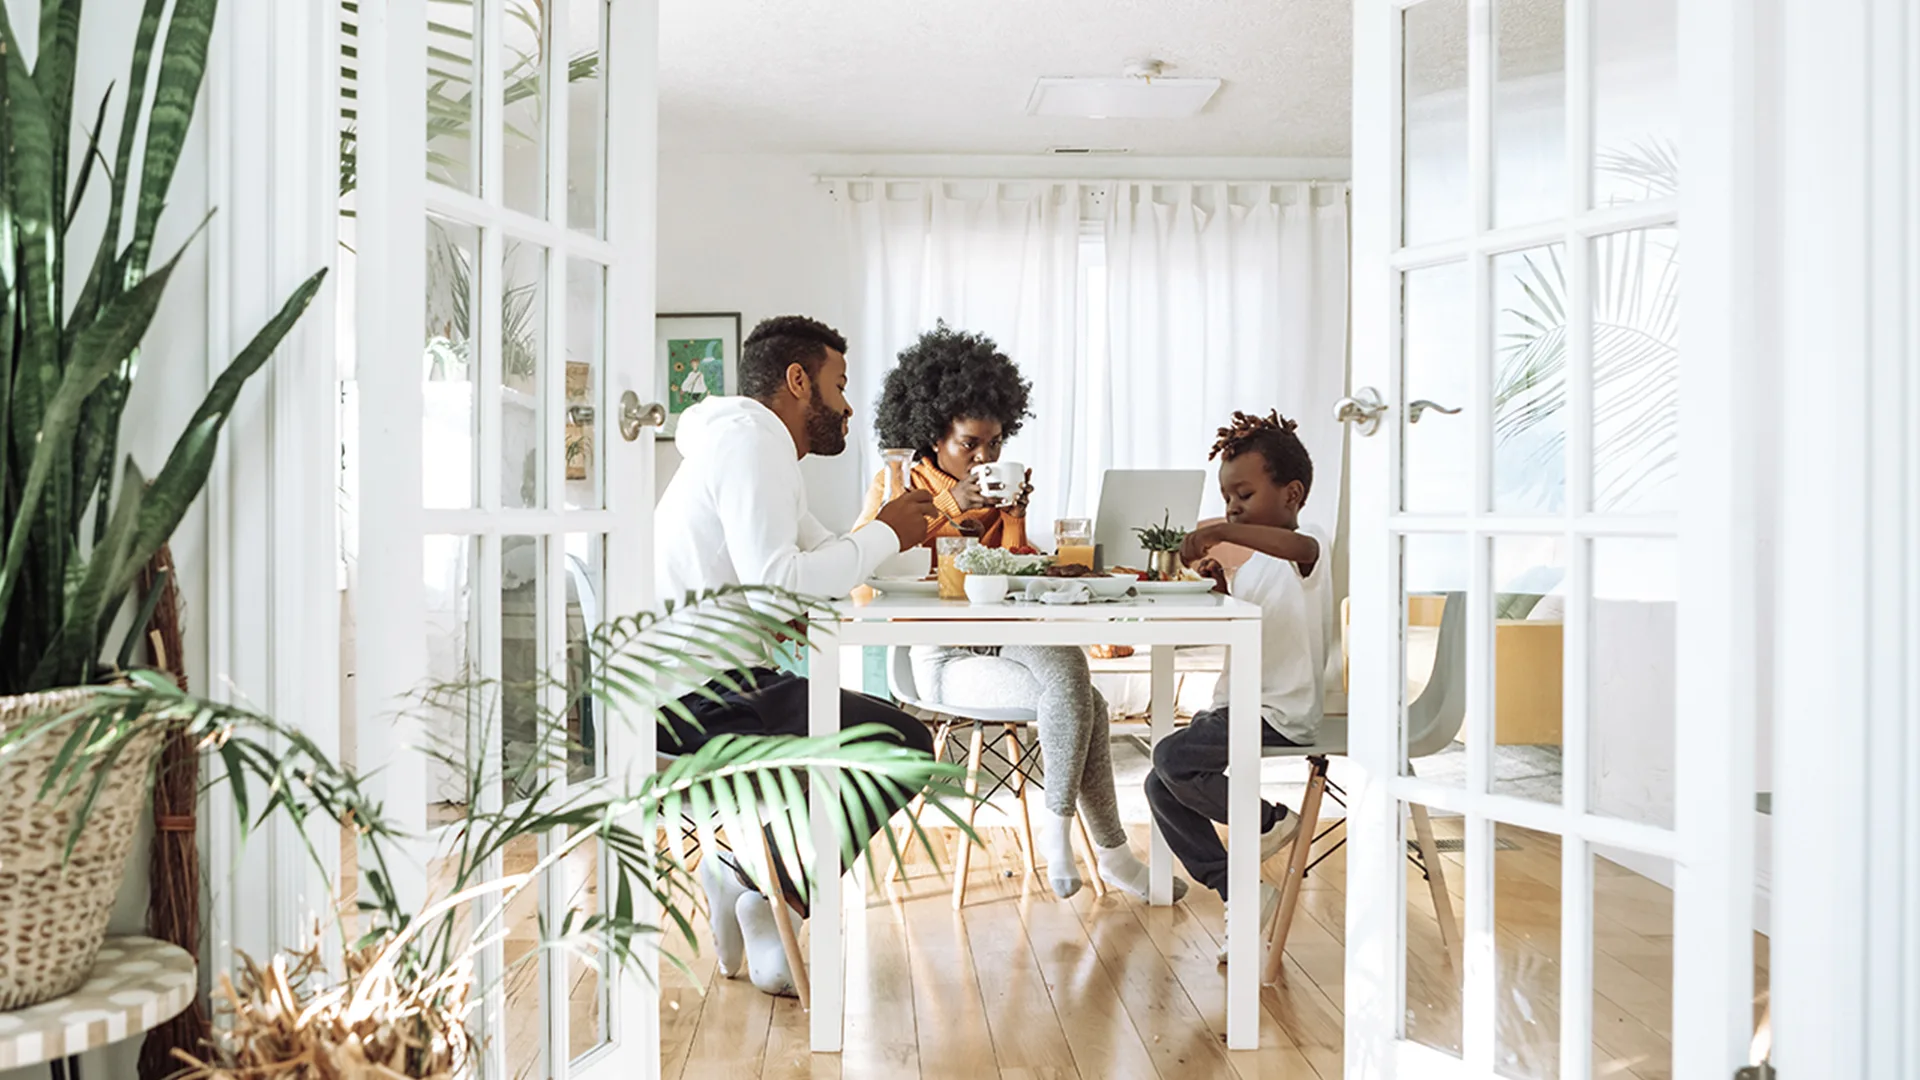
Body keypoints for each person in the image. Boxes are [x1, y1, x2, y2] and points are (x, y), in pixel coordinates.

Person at [655, 314, 937, 997]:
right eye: (839, 385)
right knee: (902, 744)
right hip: (686, 701)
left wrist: (883, 535)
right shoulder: (754, 444)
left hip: (707, 682)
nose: (845, 406)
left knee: (884, 734)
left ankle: (749, 881)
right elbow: (784, 581)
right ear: (797, 379)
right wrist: (885, 532)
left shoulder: (748, 444)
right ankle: (759, 890)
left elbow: (814, 559)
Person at [854, 324, 1180, 902]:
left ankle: (1069, 838)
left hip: (1004, 635)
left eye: (995, 443)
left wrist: (1016, 519)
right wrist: (954, 504)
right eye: (969, 444)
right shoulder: (899, 485)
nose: (984, 457)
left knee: (1071, 675)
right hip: (941, 654)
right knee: (1086, 701)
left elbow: (1007, 576)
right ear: (932, 434)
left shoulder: (994, 488)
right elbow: (865, 571)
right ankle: (1105, 852)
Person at [1144, 410, 1333, 961]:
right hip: (1236, 705)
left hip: (1278, 710)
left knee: (1172, 760)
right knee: (1160, 786)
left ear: (1292, 495)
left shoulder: (1309, 545)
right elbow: (1252, 622)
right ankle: (1241, 890)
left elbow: (1297, 553)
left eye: (1244, 495)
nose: (1231, 508)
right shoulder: (1255, 567)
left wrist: (1224, 532)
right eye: (1228, 498)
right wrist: (1222, 582)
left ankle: (1272, 821)